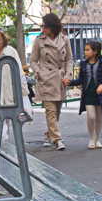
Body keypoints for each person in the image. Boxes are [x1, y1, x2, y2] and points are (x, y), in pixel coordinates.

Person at [30, 13, 73, 150]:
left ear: (52, 27)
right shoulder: (39, 40)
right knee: (51, 111)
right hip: (46, 80)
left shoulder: (65, 40)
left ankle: (49, 134)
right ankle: (57, 139)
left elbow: (69, 60)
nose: (43, 29)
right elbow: (33, 60)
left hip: (60, 80)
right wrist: (38, 72)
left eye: (45, 26)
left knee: (57, 111)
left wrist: (68, 75)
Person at [63, 40, 102, 149]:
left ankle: (97, 140)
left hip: (100, 94)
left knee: (99, 118)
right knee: (91, 116)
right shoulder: (83, 64)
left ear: (95, 51)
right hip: (88, 94)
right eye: (85, 50)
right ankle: (91, 138)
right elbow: (81, 79)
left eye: (87, 50)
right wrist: (70, 82)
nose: (85, 52)